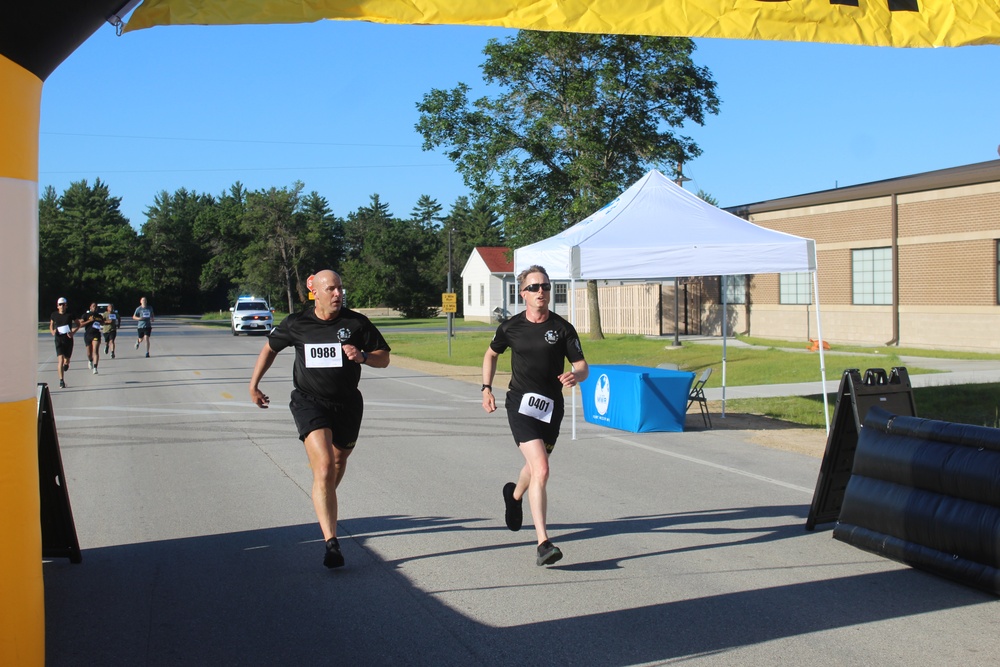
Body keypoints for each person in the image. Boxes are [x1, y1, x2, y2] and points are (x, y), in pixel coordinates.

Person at [249, 270, 391, 569]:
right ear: (316, 293)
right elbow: (269, 349)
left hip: (348, 404)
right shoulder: (297, 323)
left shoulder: (356, 323)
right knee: (324, 466)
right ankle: (332, 543)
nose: (338, 294)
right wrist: (254, 384)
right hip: (309, 401)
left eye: (340, 288)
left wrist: (363, 356)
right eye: (331, 289)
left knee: (338, 463)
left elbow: (384, 357)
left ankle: (323, 496)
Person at [482, 265, 589, 566]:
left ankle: (513, 496)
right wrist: (486, 388)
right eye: (534, 287)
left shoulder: (563, 328)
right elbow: (491, 353)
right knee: (541, 469)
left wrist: (574, 375)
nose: (541, 291)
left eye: (545, 286)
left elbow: (582, 366)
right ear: (523, 293)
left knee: (534, 467)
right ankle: (543, 542)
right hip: (520, 405)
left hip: (551, 409)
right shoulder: (510, 328)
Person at [49, 297, 80, 389]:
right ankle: (61, 381)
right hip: (59, 339)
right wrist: (52, 331)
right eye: (60, 304)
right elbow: (51, 325)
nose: (62, 306)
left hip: (68, 339)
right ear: (57, 306)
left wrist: (73, 332)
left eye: (63, 304)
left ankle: (66, 364)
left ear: (66, 305)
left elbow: (78, 324)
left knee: (66, 360)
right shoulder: (54, 315)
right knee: (60, 360)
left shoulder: (70, 314)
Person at [80, 301, 105, 375]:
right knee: (89, 353)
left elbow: (103, 322)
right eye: (93, 306)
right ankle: (90, 360)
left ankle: (95, 367)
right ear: (90, 307)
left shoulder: (99, 316)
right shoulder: (85, 315)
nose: (95, 307)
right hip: (88, 335)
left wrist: (101, 322)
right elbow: (80, 324)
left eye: (96, 306)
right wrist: (89, 321)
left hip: (96, 334)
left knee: (95, 351)